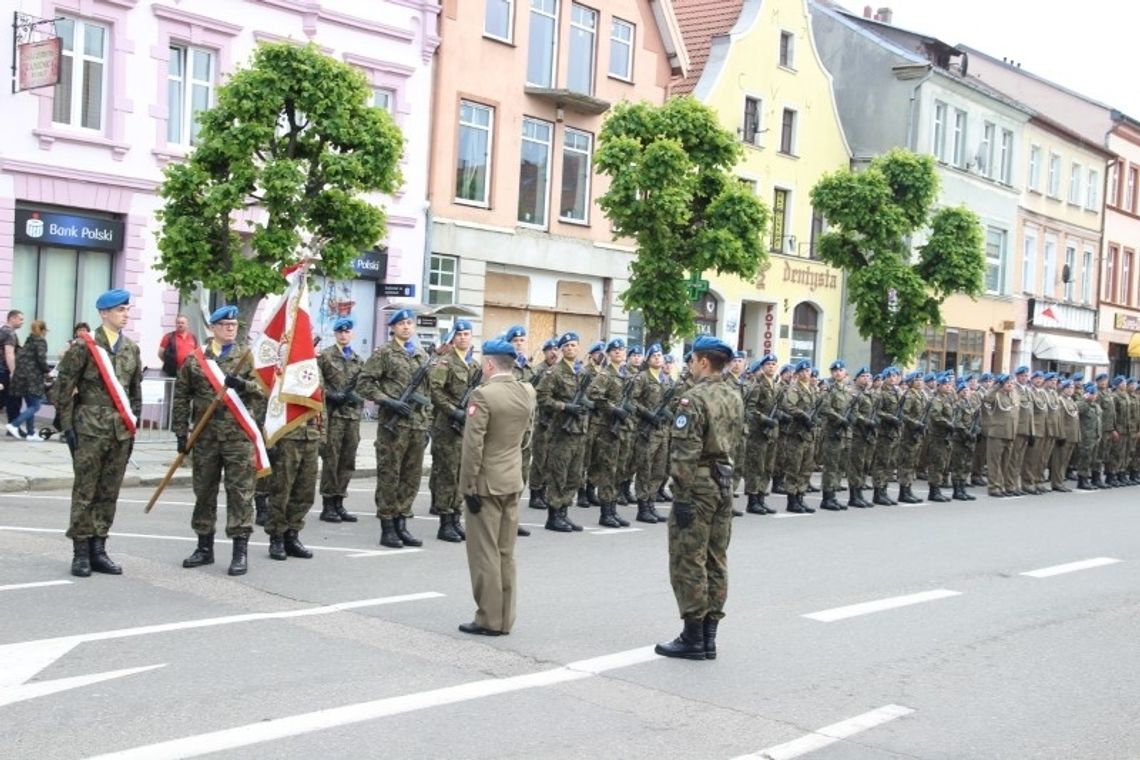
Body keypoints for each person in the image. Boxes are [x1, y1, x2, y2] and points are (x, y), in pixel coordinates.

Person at [654, 336, 743, 661]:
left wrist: (681, 496)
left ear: (704, 362)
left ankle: (693, 635)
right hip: (724, 481)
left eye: (692, 360)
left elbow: (685, 451)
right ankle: (709, 637)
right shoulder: (734, 395)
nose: (690, 365)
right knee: (716, 558)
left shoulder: (692, 399)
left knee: (688, 557)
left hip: (699, 485)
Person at [54, 290, 141, 577]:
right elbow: (63, 387)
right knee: (85, 491)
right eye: (119, 310)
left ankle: (99, 549)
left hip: (119, 432)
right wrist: (67, 426)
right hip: (89, 427)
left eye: (127, 309)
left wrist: (133, 427)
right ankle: (80, 552)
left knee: (108, 492)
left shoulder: (131, 349)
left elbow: (134, 393)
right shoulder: (85, 347)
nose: (125, 314)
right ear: (103, 313)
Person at [173, 305, 264, 575]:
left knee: (240, 494)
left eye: (234, 325)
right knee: (204, 492)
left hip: (237, 437)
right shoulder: (195, 359)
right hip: (205, 438)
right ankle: (204, 548)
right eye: (224, 324)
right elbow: (181, 396)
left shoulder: (246, 357)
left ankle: (240, 551)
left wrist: (244, 385)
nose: (230, 328)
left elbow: (263, 391)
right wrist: (181, 432)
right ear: (212, 328)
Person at [457, 338, 537, 636]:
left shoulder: (483, 395)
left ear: (489, 364)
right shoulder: (527, 391)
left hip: (486, 483)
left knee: (485, 552)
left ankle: (488, 618)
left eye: (482, 362)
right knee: (506, 551)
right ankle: (506, 618)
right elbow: (527, 436)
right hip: (512, 478)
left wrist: (468, 485)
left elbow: (472, 447)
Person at [358, 308, 433, 549]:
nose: (406, 327)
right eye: (401, 324)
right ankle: (388, 526)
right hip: (393, 427)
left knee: (411, 477)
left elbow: (427, 393)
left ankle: (403, 523)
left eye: (410, 323)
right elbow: (364, 383)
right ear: (393, 328)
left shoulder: (421, 354)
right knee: (390, 475)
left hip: (417, 425)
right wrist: (388, 401)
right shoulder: (384, 352)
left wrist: (428, 423)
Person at [536, 332, 591, 533]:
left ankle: (564, 513)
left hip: (579, 431)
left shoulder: (582, 373)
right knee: (558, 474)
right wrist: (564, 407)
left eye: (574, 345)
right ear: (560, 350)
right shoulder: (554, 372)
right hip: (561, 431)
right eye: (566, 345)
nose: (570, 348)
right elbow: (542, 397)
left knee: (574, 476)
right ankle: (553, 515)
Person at [429, 319, 476, 542]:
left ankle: (456, 517)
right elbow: (436, 392)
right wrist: (453, 411)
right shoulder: (444, 363)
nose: (463, 337)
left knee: (461, 474)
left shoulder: (474, 366)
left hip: (466, 428)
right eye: (459, 334)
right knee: (447, 475)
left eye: (467, 334)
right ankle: (445, 522)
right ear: (453, 337)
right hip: (447, 427)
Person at [317, 317, 363, 523]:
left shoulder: (357, 360)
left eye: (347, 332)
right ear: (335, 334)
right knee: (331, 459)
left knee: (348, 460)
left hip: (351, 417)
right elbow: (316, 384)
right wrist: (330, 395)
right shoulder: (325, 356)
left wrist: (357, 399)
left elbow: (364, 388)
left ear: (351, 334)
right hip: (333, 416)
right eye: (340, 332)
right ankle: (328, 503)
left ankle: (339, 501)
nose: (344, 335)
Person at [7, 319, 51, 441]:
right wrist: (47, 371)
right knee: (36, 406)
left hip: (21, 377)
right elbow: (41, 359)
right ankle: (14, 424)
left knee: (30, 405)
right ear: (43, 330)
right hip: (33, 378)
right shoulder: (41, 342)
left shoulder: (28, 341)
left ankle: (31, 433)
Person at [1, 309, 25, 427]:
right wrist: (13, 372)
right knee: (14, 400)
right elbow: (9, 353)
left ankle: (13, 427)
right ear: (12, 318)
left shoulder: (2, 330)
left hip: (2, 370)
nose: (22, 322)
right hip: (5, 371)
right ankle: (14, 427)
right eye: (20, 319)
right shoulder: (9, 333)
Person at [158, 314, 199, 378]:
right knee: (171, 388)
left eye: (182, 323)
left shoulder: (193, 337)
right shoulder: (168, 337)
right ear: (176, 324)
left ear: (187, 325)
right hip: (172, 372)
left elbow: (196, 353)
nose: (180, 324)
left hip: (189, 372)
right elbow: (160, 353)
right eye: (178, 323)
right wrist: (169, 363)